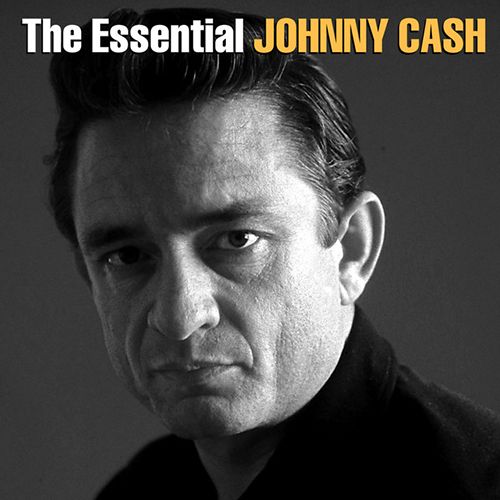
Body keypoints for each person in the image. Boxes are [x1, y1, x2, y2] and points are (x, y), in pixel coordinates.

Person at [47, 7, 500, 500]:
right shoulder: (141, 489)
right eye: (128, 257)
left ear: (352, 249)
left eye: (237, 240)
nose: (179, 317)